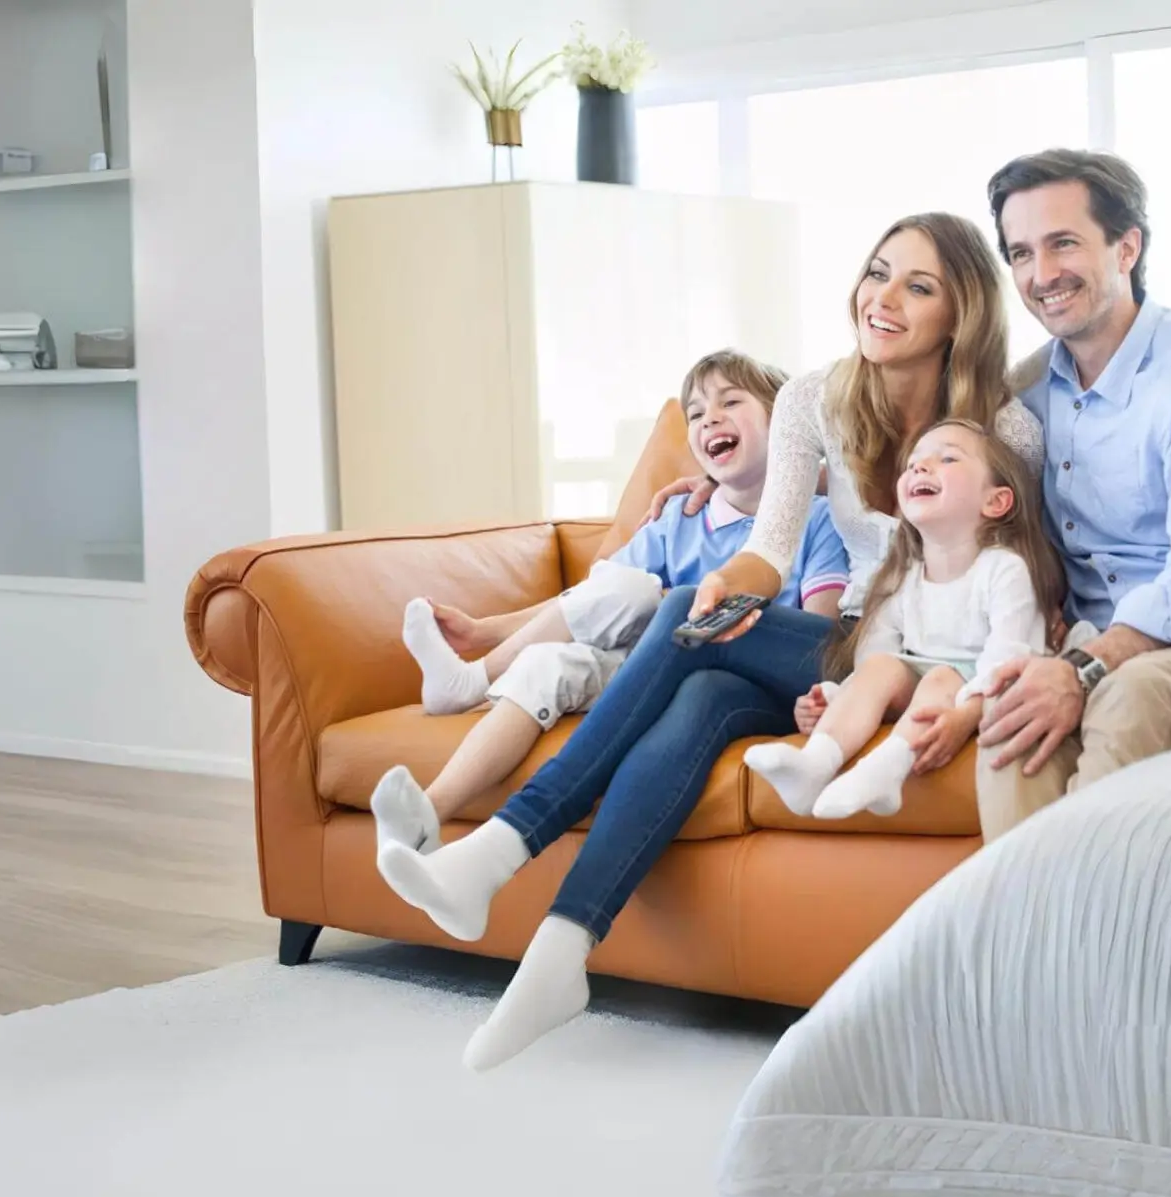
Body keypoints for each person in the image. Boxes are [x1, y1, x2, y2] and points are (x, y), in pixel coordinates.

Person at [375, 212, 1042, 1072]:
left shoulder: (1005, 427)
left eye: (919, 286)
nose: (883, 299)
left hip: (913, 654)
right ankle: (558, 957)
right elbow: (768, 547)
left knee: (691, 611)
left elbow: (1031, 566)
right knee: (700, 686)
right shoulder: (812, 398)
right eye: (877, 273)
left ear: (962, 314)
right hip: (829, 646)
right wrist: (733, 587)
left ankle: (500, 849)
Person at [374, 351, 848, 867]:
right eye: (695, 413)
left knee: (645, 596)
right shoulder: (680, 518)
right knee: (552, 657)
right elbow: (587, 600)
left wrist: (681, 608)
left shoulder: (819, 519)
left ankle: (469, 682)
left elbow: (820, 629)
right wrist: (487, 630)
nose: (709, 416)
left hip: (723, 670)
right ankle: (431, 810)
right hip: (638, 665)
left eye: (730, 402)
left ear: (787, 428)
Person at [975, 149, 1171, 837]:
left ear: (1127, 246)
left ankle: (1087, 943)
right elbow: (935, 477)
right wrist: (739, 478)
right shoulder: (1023, 397)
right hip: (1079, 652)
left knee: (1126, 697)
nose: (1041, 274)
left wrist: (1086, 666)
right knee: (1010, 721)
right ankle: (1040, 944)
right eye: (1021, 253)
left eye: (1063, 244)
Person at [746, 418, 1058, 822]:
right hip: (918, 685)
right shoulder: (904, 575)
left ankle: (886, 768)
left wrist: (967, 714)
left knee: (941, 678)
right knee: (880, 665)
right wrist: (833, 698)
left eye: (947, 458)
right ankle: (815, 764)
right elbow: (874, 658)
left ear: (995, 501)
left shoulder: (1005, 570)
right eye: (913, 463)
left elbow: (1009, 662)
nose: (920, 468)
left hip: (977, 689)